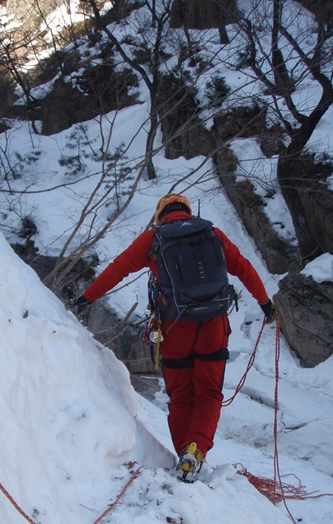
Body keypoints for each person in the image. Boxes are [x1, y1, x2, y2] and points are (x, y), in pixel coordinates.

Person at [73, 193, 275, 483]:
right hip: (213, 327)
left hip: (175, 328)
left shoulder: (153, 240)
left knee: (180, 396)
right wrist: (265, 302)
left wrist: (87, 298)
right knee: (208, 393)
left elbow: (117, 270)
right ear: (188, 213)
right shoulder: (212, 234)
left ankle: (185, 456)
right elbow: (244, 268)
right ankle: (196, 450)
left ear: (161, 216)